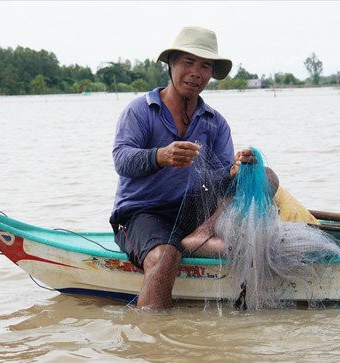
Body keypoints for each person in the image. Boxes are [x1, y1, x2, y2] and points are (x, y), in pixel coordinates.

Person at [110, 26, 256, 309]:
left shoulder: (215, 121)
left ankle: (201, 235)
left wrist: (235, 170)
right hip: (143, 211)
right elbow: (122, 160)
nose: (196, 73)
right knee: (164, 255)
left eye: (205, 66)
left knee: (262, 174)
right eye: (188, 62)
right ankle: (154, 340)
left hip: (193, 211)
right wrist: (160, 156)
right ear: (171, 64)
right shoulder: (140, 110)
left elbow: (219, 179)